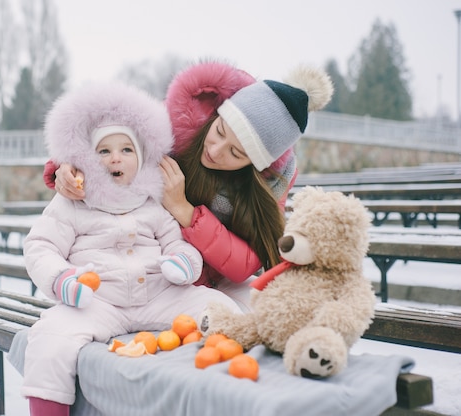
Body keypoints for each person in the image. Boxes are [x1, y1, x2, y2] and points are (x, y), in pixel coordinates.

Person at [22, 81, 241, 416]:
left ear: (141, 157)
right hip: (99, 300)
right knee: (50, 339)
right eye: (104, 151)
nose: (116, 158)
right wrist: (62, 279)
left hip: (159, 293)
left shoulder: (153, 198)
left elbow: (175, 239)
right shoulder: (72, 202)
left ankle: (228, 395)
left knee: (219, 309)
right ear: (88, 159)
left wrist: (183, 261)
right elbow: (40, 246)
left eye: (126, 150)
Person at [46, 60, 333, 311]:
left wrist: (184, 211)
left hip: (200, 285)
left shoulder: (267, 184)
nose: (216, 150)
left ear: (255, 165)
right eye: (219, 131)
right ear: (217, 116)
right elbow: (110, 142)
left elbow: (246, 263)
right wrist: (65, 167)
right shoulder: (172, 122)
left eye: (236, 153)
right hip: (138, 273)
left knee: (258, 309)